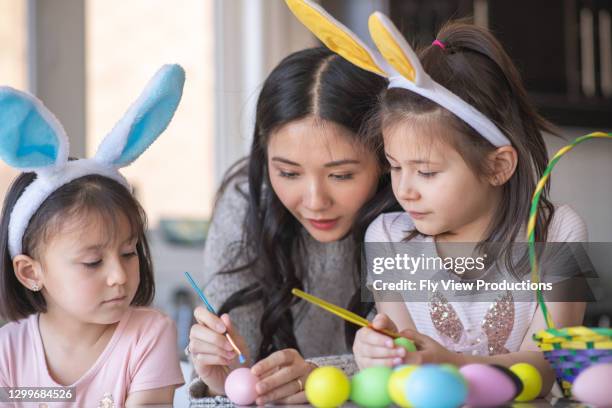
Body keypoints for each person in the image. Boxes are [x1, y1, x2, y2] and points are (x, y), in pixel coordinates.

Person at [349, 19, 587, 397]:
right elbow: (401, 360)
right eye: (395, 167)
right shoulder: (388, 238)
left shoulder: (556, 232)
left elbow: (546, 371)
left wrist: (452, 363)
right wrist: (378, 351)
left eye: (426, 172)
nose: (404, 190)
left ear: (497, 166)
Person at [188, 47, 399, 405]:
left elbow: (427, 356)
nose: (315, 200)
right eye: (288, 173)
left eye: (341, 175)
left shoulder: (413, 214)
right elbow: (241, 366)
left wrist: (325, 376)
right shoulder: (245, 204)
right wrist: (219, 379)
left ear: (383, 159)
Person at [0, 65, 186, 406]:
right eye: (92, 262)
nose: (119, 276)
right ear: (30, 272)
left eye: (129, 253)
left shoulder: (148, 336)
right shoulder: (7, 352)